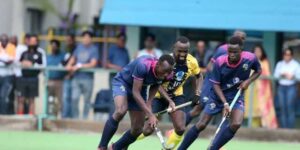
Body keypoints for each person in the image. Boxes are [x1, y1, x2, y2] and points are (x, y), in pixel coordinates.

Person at [178, 36, 261, 150]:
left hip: (236, 96)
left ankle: (213, 148)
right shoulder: (220, 61)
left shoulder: (251, 58)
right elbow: (215, 84)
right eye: (229, 52)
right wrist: (225, 104)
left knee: (236, 123)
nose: (231, 55)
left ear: (241, 50)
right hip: (217, 95)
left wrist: (248, 81)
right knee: (202, 124)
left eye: (235, 52)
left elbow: (258, 70)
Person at [97, 55, 175, 150]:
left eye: (169, 72)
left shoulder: (165, 72)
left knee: (137, 129)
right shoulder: (143, 65)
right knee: (121, 111)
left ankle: (115, 148)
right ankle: (102, 147)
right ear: (158, 65)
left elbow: (156, 84)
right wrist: (150, 114)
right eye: (165, 72)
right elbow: (135, 93)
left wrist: (149, 103)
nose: (166, 75)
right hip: (123, 83)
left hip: (141, 88)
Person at [137, 36, 202, 149]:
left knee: (180, 128)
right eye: (179, 51)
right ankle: (124, 142)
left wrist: (198, 92)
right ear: (173, 48)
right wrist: (169, 100)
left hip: (177, 96)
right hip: (158, 96)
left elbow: (199, 76)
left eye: (185, 51)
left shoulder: (192, 61)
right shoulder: (166, 62)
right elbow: (157, 84)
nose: (182, 54)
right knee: (147, 129)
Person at [184, 30, 247, 127]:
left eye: (242, 38)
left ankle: (218, 138)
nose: (239, 39)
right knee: (197, 110)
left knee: (226, 111)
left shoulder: (244, 56)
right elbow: (210, 66)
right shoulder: (222, 49)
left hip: (225, 87)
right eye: (237, 37)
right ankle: (178, 129)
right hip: (211, 84)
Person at [66, 31, 99, 119]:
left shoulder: (94, 49)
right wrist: (69, 65)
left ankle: (84, 119)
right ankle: (76, 118)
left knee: (87, 101)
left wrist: (80, 65)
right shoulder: (79, 47)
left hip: (88, 78)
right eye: (84, 37)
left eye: (87, 38)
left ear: (91, 39)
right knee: (74, 98)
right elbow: (73, 58)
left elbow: (93, 63)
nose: (85, 39)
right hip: (77, 77)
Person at [244, 45, 278, 128]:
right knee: (253, 111)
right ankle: (252, 129)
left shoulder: (265, 62)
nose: (257, 53)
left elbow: (267, 75)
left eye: (259, 51)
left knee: (263, 111)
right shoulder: (249, 62)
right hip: (252, 90)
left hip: (263, 92)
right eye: (255, 51)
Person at [16, 35, 45, 115]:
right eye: (30, 41)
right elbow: (18, 62)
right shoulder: (24, 53)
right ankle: (20, 116)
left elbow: (42, 65)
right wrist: (23, 63)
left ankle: (31, 116)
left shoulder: (39, 53)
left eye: (34, 41)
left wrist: (32, 64)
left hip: (33, 78)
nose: (32, 42)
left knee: (32, 99)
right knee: (21, 98)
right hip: (24, 77)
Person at [274, 48, 300, 128]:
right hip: (281, 87)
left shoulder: (296, 64)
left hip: (291, 87)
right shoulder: (280, 64)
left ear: (291, 55)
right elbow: (275, 76)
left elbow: (299, 77)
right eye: (285, 54)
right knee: (282, 109)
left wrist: (293, 76)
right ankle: (284, 129)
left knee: (290, 108)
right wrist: (282, 74)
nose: (287, 56)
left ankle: (290, 130)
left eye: (288, 54)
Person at [47, 39, 65, 116]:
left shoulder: (62, 56)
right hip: (50, 81)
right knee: (50, 100)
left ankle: (61, 117)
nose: (53, 48)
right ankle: (51, 116)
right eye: (52, 46)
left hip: (59, 81)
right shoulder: (48, 57)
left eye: (55, 46)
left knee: (60, 100)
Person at [61, 33, 77, 118]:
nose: (67, 42)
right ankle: (65, 116)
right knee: (66, 98)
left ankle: (71, 117)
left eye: (69, 40)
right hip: (66, 77)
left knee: (72, 98)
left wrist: (70, 75)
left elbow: (75, 62)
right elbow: (64, 62)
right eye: (66, 40)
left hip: (73, 77)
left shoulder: (75, 49)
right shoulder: (66, 50)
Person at [0, 34, 15, 114]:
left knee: (4, 96)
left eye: (5, 40)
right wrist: (4, 59)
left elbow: (10, 61)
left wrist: (2, 59)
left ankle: (3, 115)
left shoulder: (11, 47)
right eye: (2, 40)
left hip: (7, 77)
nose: (4, 42)